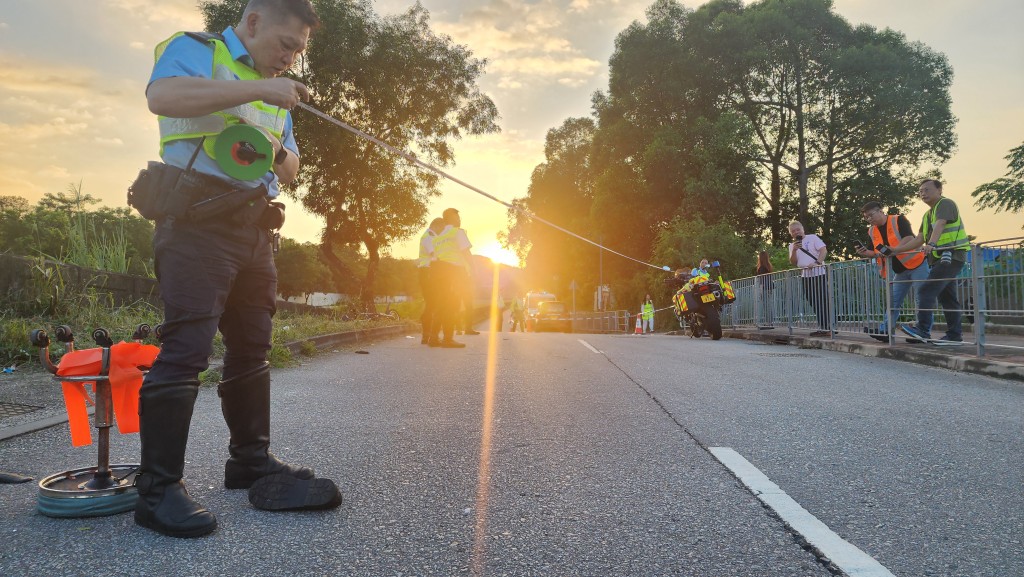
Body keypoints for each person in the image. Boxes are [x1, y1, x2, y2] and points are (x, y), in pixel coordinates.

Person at [134, 0, 340, 538]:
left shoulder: (280, 93)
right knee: (186, 349)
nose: (289, 60)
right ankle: (157, 490)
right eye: (285, 45)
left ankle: (249, 462)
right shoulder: (197, 51)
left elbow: (290, 166)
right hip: (197, 223)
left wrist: (273, 144)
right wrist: (257, 91)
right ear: (252, 22)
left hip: (255, 231)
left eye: (298, 52)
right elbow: (162, 97)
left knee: (252, 349)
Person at [892, 180, 970, 344]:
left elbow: (941, 224)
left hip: (951, 255)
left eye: (927, 190)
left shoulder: (946, 203)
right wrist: (896, 250)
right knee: (947, 297)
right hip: (938, 259)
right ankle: (954, 336)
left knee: (926, 290)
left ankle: (922, 330)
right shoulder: (927, 215)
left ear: (939, 190)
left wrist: (932, 244)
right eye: (920, 191)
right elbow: (919, 238)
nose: (923, 193)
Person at [855, 201, 929, 342]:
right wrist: (864, 252)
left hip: (917, 263)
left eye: (871, 215)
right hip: (899, 270)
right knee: (893, 301)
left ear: (880, 211)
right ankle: (885, 331)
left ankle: (922, 332)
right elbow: (876, 252)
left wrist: (893, 251)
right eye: (866, 217)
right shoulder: (871, 231)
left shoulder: (898, 219)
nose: (869, 219)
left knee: (922, 298)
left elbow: (909, 238)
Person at [428, 208, 473, 347]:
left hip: (437, 272)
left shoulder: (438, 237)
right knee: (451, 306)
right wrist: (475, 271)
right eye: (458, 217)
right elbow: (466, 253)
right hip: (453, 272)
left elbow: (433, 257)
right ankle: (448, 339)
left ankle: (433, 338)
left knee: (441, 305)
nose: (460, 220)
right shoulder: (457, 232)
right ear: (452, 218)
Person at [788, 221, 832, 337]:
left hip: (818, 273)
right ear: (791, 234)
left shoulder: (812, 238)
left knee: (822, 300)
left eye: (798, 229)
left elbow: (823, 250)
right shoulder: (792, 246)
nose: (796, 232)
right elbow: (793, 262)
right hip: (805, 275)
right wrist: (794, 250)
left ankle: (828, 327)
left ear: (803, 229)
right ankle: (824, 326)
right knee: (813, 301)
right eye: (793, 231)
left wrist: (817, 263)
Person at [418, 218, 445, 344]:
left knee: (431, 304)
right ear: (437, 226)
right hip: (428, 272)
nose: (442, 231)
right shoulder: (429, 236)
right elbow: (434, 254)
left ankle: (426, 335)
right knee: (433, 304)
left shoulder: (430, 235)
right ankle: (428, 335)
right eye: (442, 228)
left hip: (426, 272)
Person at [756, 251, 774, 329]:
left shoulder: (762, 268)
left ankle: (768, 323)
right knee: (768, 305)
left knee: (766, 305)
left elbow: (762, 280)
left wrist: (760, 289)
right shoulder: (768, 266)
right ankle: (769, 322)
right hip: (769, 287)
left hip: (764, 287)